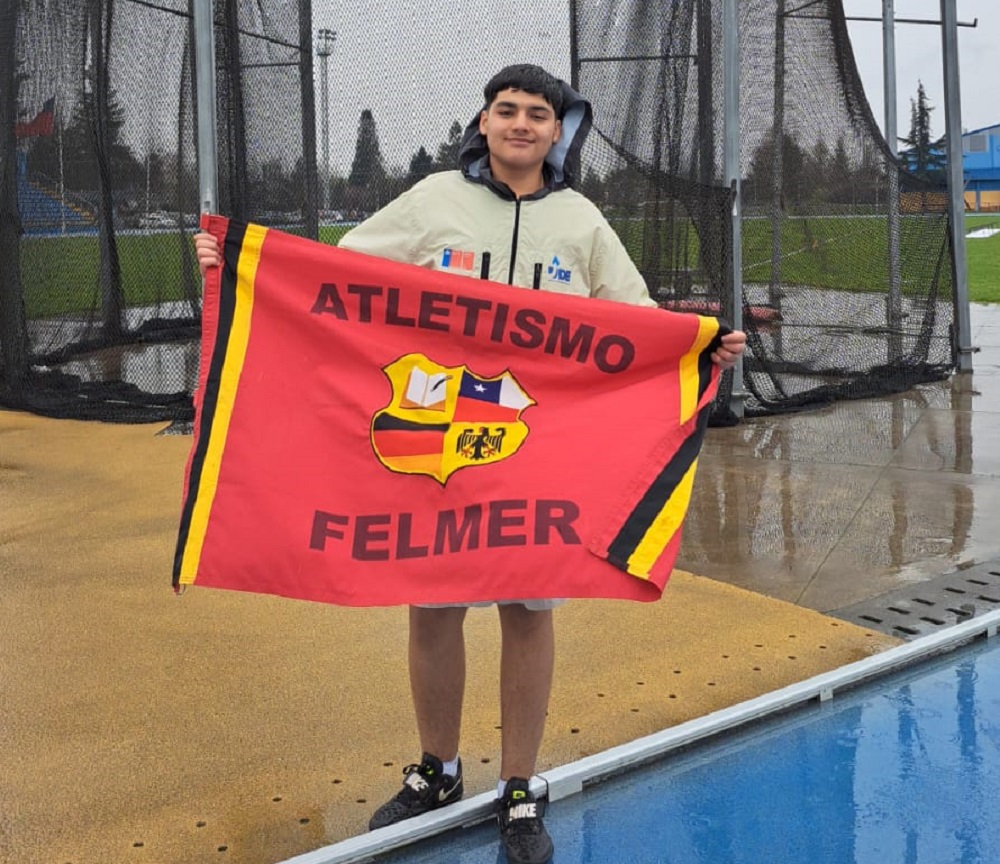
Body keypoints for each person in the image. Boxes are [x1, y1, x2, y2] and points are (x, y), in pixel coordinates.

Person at [195, 63, 746, 864]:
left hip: (534, 450)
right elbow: (340, 277)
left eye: (537, 114)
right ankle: (438, 768)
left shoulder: (582, 222)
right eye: (506, 110)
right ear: (484, 122)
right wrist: (243, 269)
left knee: (528, 614)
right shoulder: (434, 201)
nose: (521, 123)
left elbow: (640, 325)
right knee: (435, 607)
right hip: (437, 444)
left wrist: (702, 346)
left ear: (561, 131)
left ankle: (520, 787)